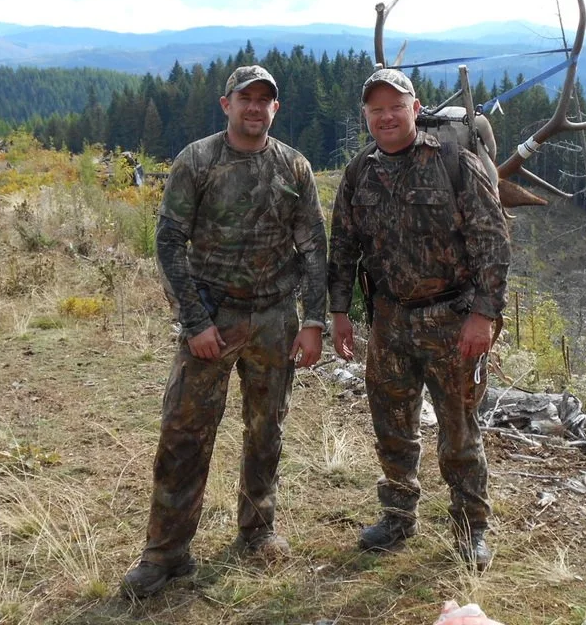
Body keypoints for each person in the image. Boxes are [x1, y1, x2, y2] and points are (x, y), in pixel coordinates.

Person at [121, 65, 328, 599]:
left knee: (267, 431)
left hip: (276, 318)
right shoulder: (198, 161)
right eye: (246, 99)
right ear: (226, 104)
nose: (255, 108)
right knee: (185, 435)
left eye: (265, 100)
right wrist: (195, 323)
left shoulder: (293, 167)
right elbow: (168, 243)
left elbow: (313, 249)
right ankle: (166, 554)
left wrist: (312, 321)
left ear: (275, 109)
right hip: (212, 317)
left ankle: (258, 532)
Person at [328, 68, 510, 571]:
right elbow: (342, 247)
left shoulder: (455, 163)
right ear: (366, 115)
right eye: (375, 109)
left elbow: (493, 244)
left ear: (415, 106)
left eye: (395, 106)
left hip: (453, 322)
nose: (386, 116)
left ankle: (471, 528)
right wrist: (340, 313)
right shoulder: (359, 171)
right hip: (388, 322)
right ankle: (397, 516)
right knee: (391, 425)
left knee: (459, 430)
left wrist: (483, 315)